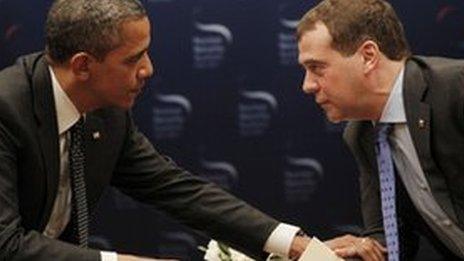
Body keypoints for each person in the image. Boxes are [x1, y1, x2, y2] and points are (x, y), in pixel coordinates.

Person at [0, 0, 312, 260]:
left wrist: (292, 244)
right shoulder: (6, 110)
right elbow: (6, 243)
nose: (148, 69)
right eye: (133, 59)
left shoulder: (107, 113)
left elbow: (174, 189)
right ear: (82, 66)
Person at [297, 0, 464, 260]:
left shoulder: (456, 88)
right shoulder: (361, 134)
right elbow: (388, 240)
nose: (307, 85)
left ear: (368, 56)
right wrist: (337, 254)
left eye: (316, 68)